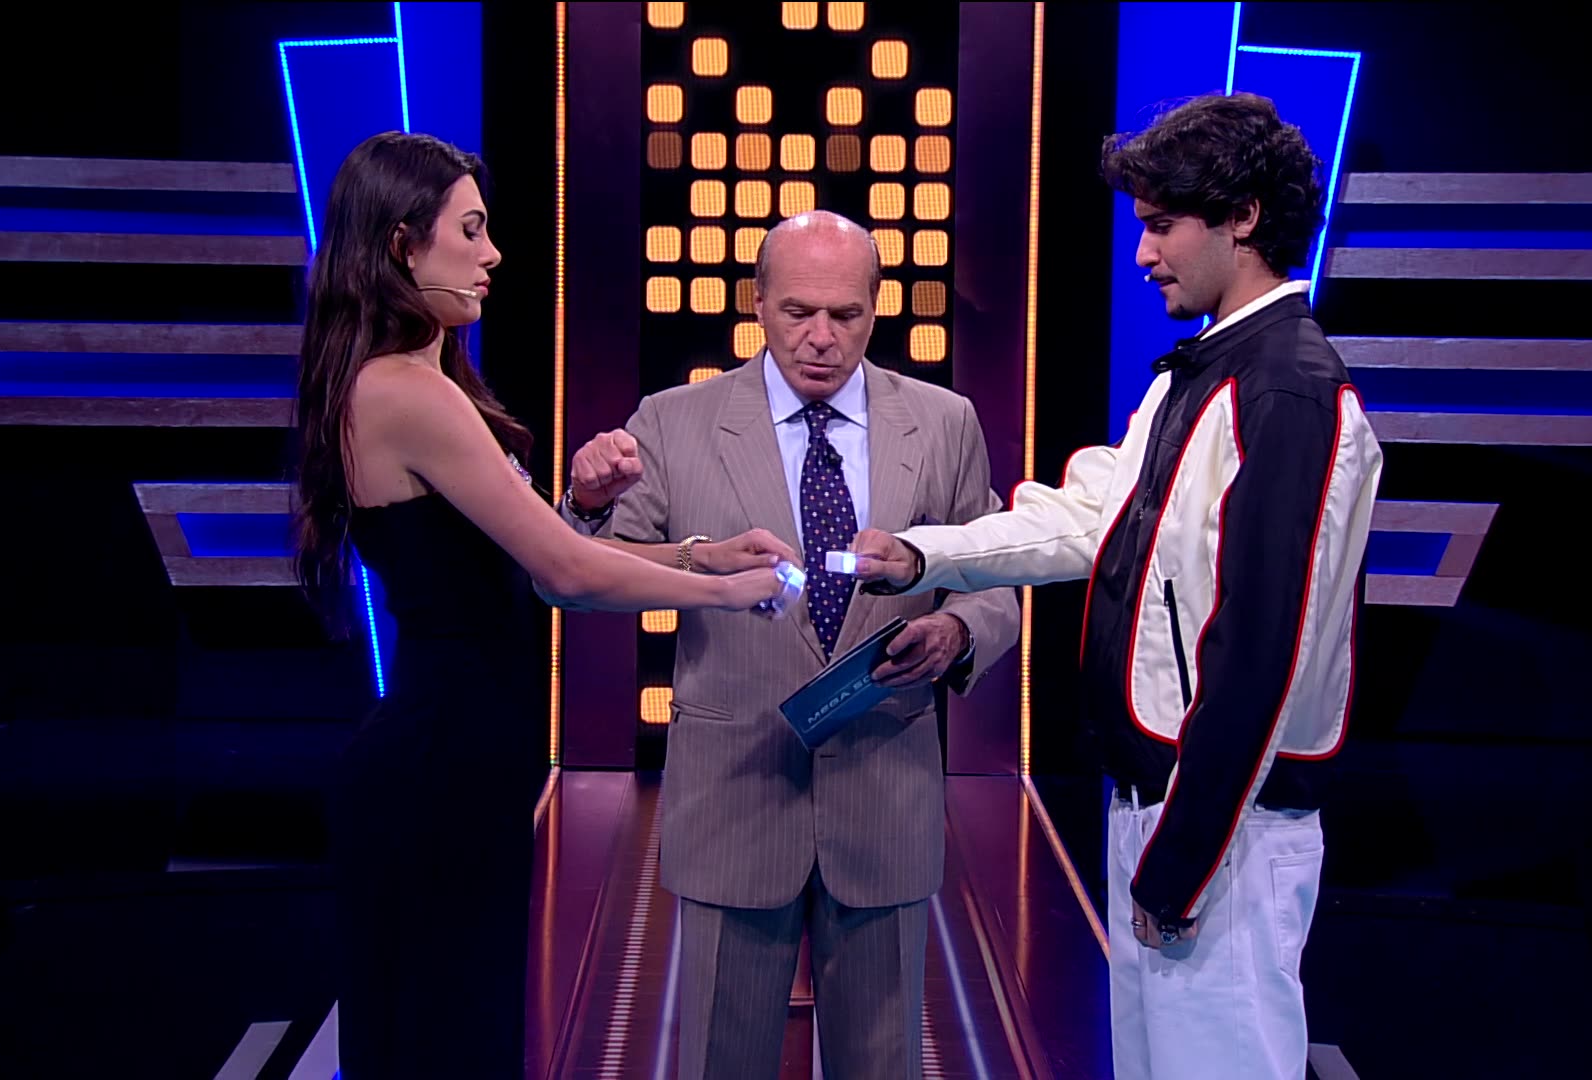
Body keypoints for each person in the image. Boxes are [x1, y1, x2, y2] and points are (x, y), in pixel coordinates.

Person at [848, 93, 1383, 1080]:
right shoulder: (1200, 374)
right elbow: (1088, 519)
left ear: (1243, 217)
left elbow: (1264, 653)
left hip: (1221, 827)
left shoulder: (1286, 391)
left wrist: (1184, 856)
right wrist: (922, 555)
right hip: (1162, 809)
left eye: (1162, 225)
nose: (1143, 254)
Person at [291, 131, 791, 1079]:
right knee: (440, 1045)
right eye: (470, 231)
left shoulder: (424, 383)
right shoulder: (404, 391)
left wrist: (697, 549)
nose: (493, 254)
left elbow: (530, 558)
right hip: (437, 768)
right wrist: (725, 590)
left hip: (464, 761)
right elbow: (564, 570)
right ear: (402, 244)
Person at [557, 211, 1021, 1079]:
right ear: (758, 302)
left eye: (845, 315)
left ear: (876, 308)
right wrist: (585, 506)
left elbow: (994, 573)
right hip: (735, 796)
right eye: (798, 312)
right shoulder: (674, 421)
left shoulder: (943, 421)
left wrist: (958, 629)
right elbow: (583, 576)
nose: (820, 338)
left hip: (884, 798)